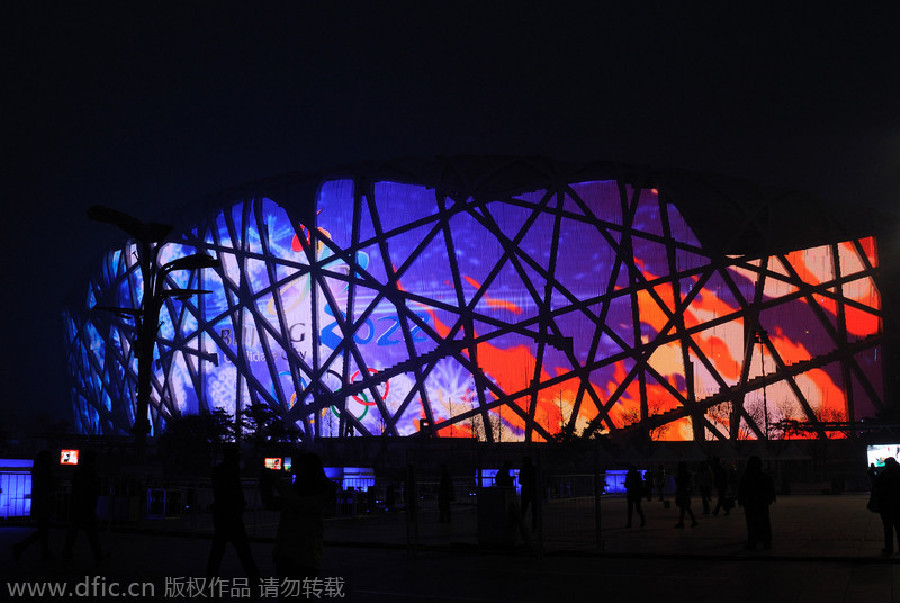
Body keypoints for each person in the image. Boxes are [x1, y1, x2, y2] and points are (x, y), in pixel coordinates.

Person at [260, 452, 336, 579]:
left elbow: (296, 503)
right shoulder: (321, 491)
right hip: (304, 556)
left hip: (293, 554)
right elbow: (277, 503)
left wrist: (272, 483)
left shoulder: (308, 493)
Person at [206, 445, 260, 581]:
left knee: (219, 548)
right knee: (242, 548)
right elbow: (234, 492)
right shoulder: (232, 471)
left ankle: (211, 576)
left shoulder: (220, 471)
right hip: (232, 514)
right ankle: (253, 577)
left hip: (223, 513)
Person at [12, 450, 55, 562]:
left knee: (43, 530)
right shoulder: (45, 472)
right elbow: (49, 486)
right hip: (44, 503)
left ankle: (39, 551)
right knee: (43, 531)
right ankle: (23, 547)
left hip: (40, 503)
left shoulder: (38, 471)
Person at [63, 449, 104, 563]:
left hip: (78, 506)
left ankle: (67, 554)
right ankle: (98, 556)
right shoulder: (91, 473)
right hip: (87, 506)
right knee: (92, 533)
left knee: (73, 532)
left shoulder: (79, 472)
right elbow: (92, 489)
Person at [737, 455, 776, 550]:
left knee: (751, 523)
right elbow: (770, 490)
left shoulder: (746, 478)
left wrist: (742, 501)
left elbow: (742, 490)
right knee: (764, 522)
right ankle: (766, 542)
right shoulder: (765, 477)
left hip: (750, 504)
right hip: (762, 503)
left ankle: (753, 542)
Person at [873, 457, 900, 557]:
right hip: (898, 505)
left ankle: (889, 548)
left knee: (888, 528)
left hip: (887, 505)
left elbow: (878, 485)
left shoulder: (886, 473)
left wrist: (872, 474)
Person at [674, 461, 698, 528]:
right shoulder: (688, 474)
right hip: (686, 492)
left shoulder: (681, 474)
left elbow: (679, 482)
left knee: (683, 508)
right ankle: (693, 520)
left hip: (682, 492)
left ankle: (682, 522)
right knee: (686, 507)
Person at [519, 456, 539, 530]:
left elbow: (520, 481)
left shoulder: (523, 469)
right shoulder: (534, 469)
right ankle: (534, 525)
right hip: (533, 490)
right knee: (534, 510)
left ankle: (522, 525)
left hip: (526, 490)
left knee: (523, 509)